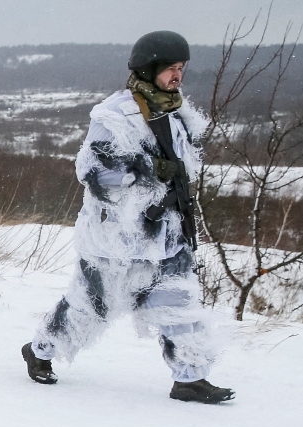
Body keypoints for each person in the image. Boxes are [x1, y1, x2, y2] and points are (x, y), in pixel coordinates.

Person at [22, 31, 234, 403]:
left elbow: (186, 169)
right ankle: (40, 349)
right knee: (90, 309)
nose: (177, 76)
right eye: (170, 69)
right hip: (115, 239)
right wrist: (146, 168)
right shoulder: (115, 114)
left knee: (179, 304)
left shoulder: (177, 112)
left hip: (165, 236)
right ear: (149, 68)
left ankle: (190, 378)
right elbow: (93, 170)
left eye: (181, 69)